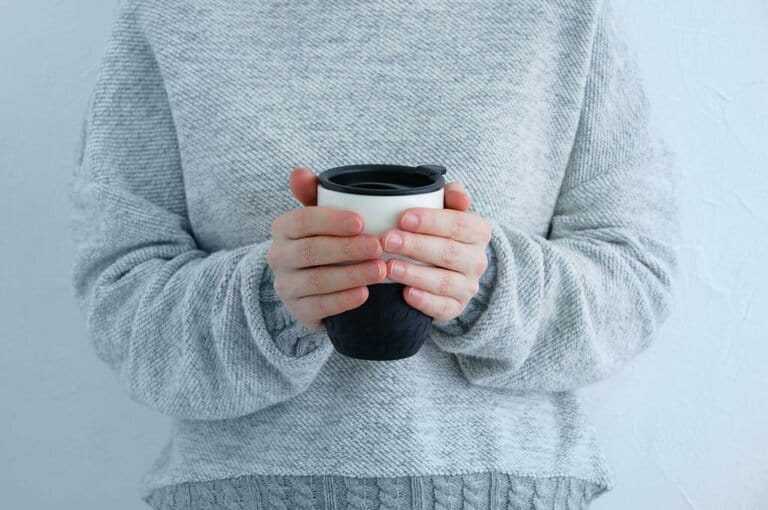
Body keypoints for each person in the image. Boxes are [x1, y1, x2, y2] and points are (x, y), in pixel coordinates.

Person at [69, 0, 679, 508]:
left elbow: (634, 282)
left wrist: (485, 283)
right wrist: (273, 299)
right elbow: (120, 300)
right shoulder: (172, 14)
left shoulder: (565, 13)